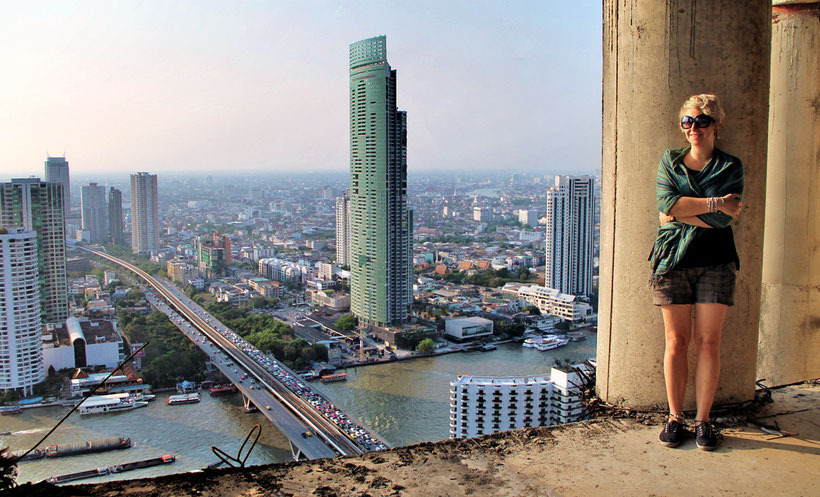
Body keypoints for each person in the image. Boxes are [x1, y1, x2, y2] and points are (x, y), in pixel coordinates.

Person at [648, 94, 744, 451]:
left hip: (717, 260)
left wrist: (681, 212)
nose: (693, 128)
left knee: (709, 342)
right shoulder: (670, 162)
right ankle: (675, 416)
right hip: (673, 262)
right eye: (687, 122)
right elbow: (665, 204)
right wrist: (715, 202)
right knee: (676, 343)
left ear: (716, 124)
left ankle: (703, 420)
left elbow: (723, 219)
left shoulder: (730, 166)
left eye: (701, 121)